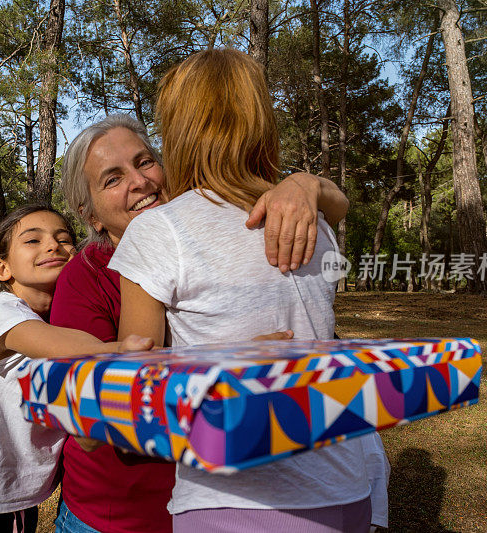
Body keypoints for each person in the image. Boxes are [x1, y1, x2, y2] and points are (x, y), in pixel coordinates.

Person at [108, 48, 372, 532]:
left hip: (235, 499)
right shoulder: (310, 221)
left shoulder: (158, 231)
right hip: (349, 485)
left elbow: (135, 409)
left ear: (179, 131)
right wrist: (307, 182)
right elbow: (340, 207)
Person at [51, 111, 353, 533]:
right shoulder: (83, 279)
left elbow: (332, 214)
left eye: (144, 162)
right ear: (91, 215)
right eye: (112, 179)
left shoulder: (209, 230)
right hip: (124, 515)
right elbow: (85, 427)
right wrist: (221, 362)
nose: (139, 182)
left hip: (235, 499)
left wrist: (307, 183)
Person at [0, 204, 153, 533]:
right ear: (2, 268)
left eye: (65, 238)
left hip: (19, 500)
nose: (53, 245)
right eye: (32, 240)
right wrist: (119, 348)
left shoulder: (59, 313)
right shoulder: (5, 316)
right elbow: (51, 343)